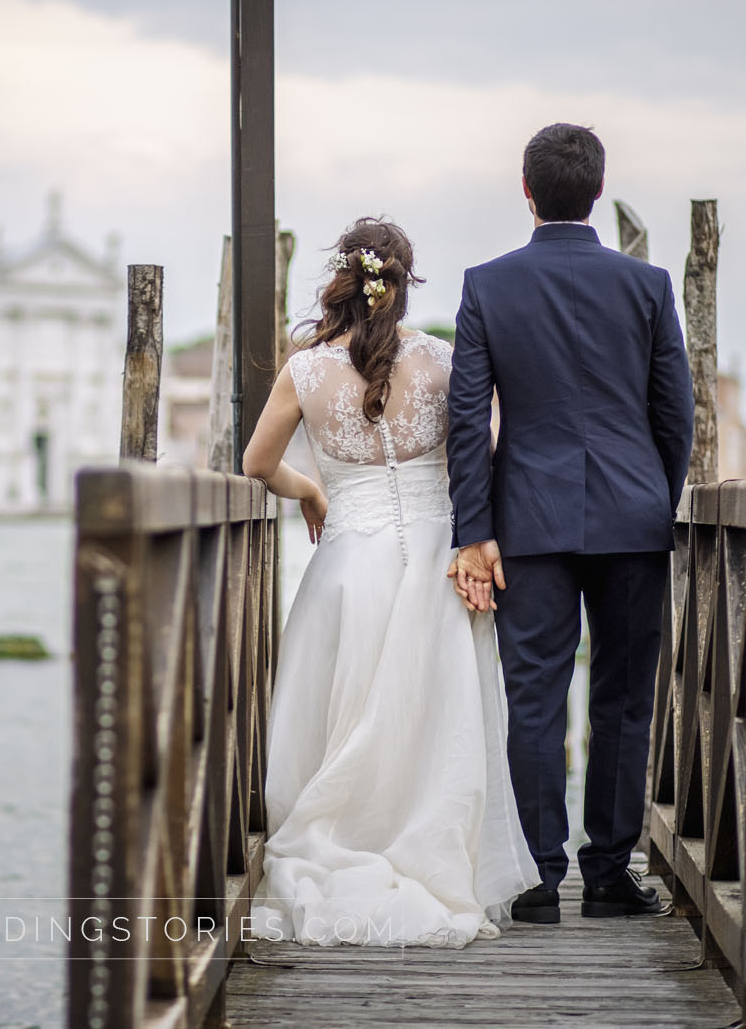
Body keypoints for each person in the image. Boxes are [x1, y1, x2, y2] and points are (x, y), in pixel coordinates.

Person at [244, 218, 538, 947]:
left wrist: (310, 488)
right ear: (405, 285)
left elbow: (255, 464)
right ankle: (436, 858)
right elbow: (485, 450)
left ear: (341, 279)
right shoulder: (441, 360)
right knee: (436, 719)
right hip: (440, 558)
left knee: (344, 716)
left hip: (348, 564)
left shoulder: (305, 370)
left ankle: (340, 836)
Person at [446, 122, 693, 924]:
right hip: (635, 517)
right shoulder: (649, 286)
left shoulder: (487, 286)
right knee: (624, 697)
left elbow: (465, 420)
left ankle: (538, 880)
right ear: (597, 189)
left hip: (528, 521)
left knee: (535, 698)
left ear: (527, 192)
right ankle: (612, 874)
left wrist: (473, 529)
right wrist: (657, 498)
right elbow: (675, 416)